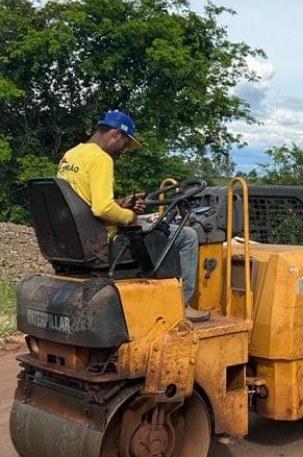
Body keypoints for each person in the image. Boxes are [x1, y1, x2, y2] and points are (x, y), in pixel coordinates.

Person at [56, 110, 209, 322]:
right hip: (105, 240)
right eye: (126, 144)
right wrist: (131, 217)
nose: (124, 151)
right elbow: (101, 209)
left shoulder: (71, 155)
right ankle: (181, 305)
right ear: (116, 134)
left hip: (77, 237)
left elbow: (81, 201)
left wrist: (120, 203)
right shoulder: (101, 159)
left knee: (163, 231)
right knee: (188, 236)